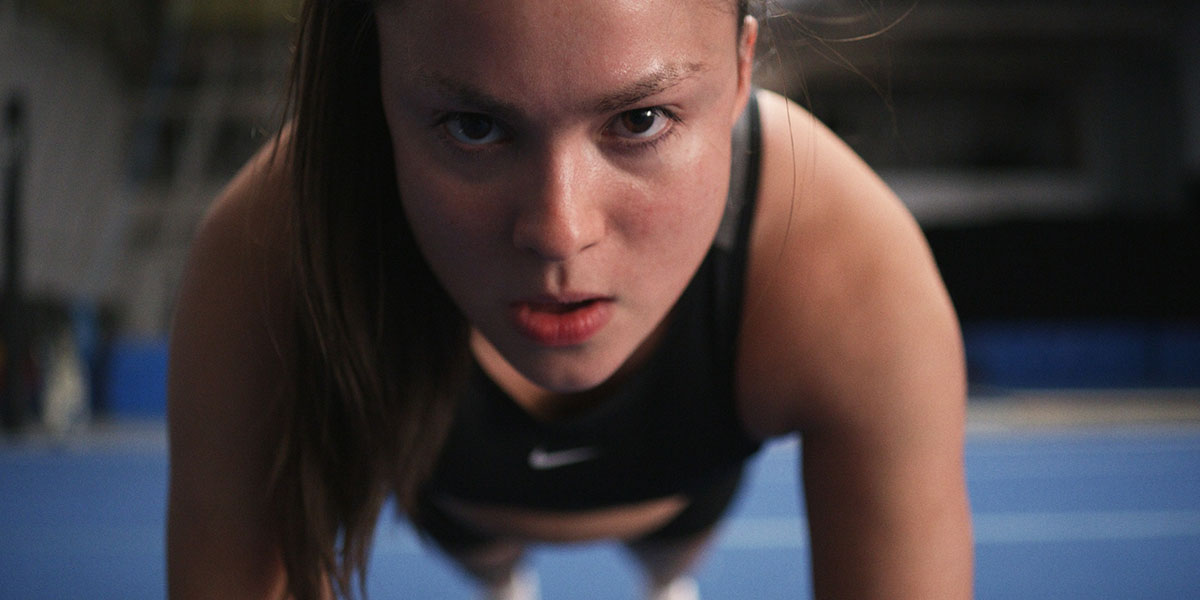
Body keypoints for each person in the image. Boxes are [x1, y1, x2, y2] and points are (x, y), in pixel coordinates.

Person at [166, 0, 973, 598]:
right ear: (376, 92)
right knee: (489, 559)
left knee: (673, 559)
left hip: (678, 502)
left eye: (641, 118)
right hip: (460, 507)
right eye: (474, 127)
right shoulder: (268, 254)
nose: (559, 232)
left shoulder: (845, 266)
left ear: (739, 75)